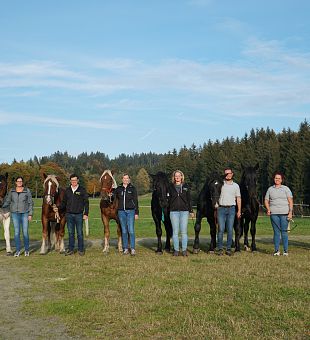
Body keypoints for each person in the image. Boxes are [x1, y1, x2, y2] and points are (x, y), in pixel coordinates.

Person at [3, 176, 33, 257]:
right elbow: (8, 201)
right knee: (16, 233)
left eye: (21, 181)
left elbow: (30, 203)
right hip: (15, 214)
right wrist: (2, 206)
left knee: (25, 232)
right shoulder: (12, 191)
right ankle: (18, 250)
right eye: (18, 181)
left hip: (25, 213)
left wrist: (30, 214)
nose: (19, 182)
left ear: (22, 182)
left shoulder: (27, 191)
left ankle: (27, 250)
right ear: (16, 182)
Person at [264, 171, 293, 256]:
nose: (277, 180)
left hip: (285, 214)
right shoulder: (270, 189)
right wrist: (268, 209)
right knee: (276, 232)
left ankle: (285, 251)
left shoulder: (286, 189)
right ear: (274, 179)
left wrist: (290, 212)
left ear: (281, 180)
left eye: (279, 178)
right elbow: (266, 200)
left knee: (284, 232)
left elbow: (290, 201)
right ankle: (276, 250)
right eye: (276, 178)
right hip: (274, 214)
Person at [59, 174, 89, 256]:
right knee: (70, 233)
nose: (73, 182)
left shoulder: (82, 190)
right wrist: (57, 207)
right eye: (72, 180)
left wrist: (86, 213)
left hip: (79, 215)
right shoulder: (67, 190)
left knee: (79, 233)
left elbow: (86, 202)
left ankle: (81, 249)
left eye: (75, 180)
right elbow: (64, 203)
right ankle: (71, 249)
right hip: (69, 215)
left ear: (78, 180)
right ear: (70, 181)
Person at [168, 170, 194, 257]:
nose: (177, 177)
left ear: (182, 177)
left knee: (184, 232)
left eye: (179, 176)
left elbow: (189, 199)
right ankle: (176, 250)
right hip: (173, 212)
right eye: (176, 176)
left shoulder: (186, 186)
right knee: (175, 232)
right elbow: (168, 199)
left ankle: (184, 250)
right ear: (174, 177)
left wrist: (191, 211)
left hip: (184, 211)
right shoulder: (170, 187)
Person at [217, 167, 241, 256]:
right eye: (226, 173)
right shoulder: (220, 184)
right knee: (221, 229)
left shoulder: (236, 186)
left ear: (232, 174)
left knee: (230, 230)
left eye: (229, 173)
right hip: (221, 209)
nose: (228, 175)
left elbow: (238, 198)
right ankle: (219, 248)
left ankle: (228, 248)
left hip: (231, 209)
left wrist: (239, 210)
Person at [114, 173, 139, 256]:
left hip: (131, 211)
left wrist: (136, 213)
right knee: (124, 231)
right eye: (124, 178)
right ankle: (125, 248)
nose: (125, 180)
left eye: (127, 178)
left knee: (131, 230)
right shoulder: (118, 189)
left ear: (129, 179)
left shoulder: (132, 188)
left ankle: (132, 248)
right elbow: (114, 197)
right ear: (122, 179)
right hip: (121, 212)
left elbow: (136, 201)